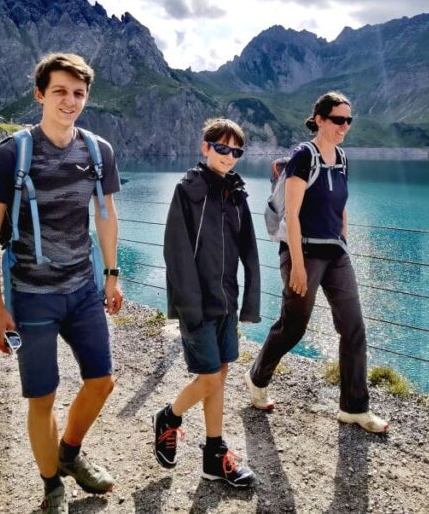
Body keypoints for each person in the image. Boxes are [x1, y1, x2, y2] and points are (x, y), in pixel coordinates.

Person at [0, 52, 124, 514]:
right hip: (31, 295)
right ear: (40, 94)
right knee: (42, 397)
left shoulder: (98, 152)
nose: (70, 101)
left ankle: (69, 455)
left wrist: (112, 274)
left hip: (82, 289)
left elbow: (105, 214)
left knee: (101, 382)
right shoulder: (10, 154)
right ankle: (52, 488)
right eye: (60, 91)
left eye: (78, 93)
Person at [245, 91, 388, 433]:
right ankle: (257, 376)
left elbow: (340, 205)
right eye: (338, 120)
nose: (344, 127)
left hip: (335, 253)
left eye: (349, 121)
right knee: (294, 326)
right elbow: (292, 216)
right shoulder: (303, 157)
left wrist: (345, 239)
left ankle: (354, 408)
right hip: (303, 252)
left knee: (353, 327)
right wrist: (295, 265)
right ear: (320, 119)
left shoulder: (342, 158)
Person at [155, 118, 260, 487]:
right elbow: (176, 252)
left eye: (236, 151)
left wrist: (249, 303)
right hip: (197, 305)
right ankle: (169, 415)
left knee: (221, 374)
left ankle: (214, 455)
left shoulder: (237, 194)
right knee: (211, 376)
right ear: (205, 147)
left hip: (226, 303)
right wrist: (188, 305)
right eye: (221, 148)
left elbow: (249, 250)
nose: (228, 157)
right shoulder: (188, 190)